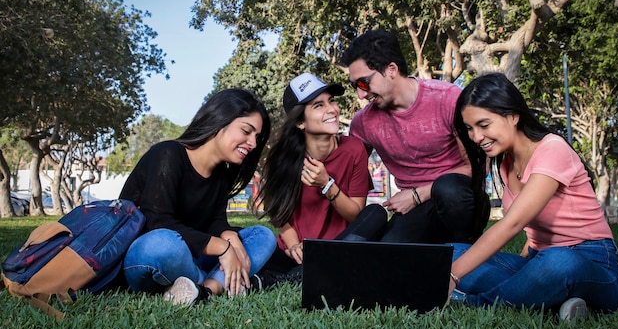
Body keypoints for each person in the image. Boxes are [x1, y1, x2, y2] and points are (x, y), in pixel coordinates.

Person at [450, 72, 618, 319]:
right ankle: (549, 298)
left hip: (593, 265)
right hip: (540, 262)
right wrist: (528, 261)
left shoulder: (552, 148)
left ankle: (473, 303)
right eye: (469, 128)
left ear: (513, 116)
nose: (477, 137)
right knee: (450, 252)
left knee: (559, 263)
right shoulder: (506, 161)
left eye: (484, 125)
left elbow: (514, 223)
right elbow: (536, 225)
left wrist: (453, 276)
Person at [120, 88, 276, 305]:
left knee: (263, 236)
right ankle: (223, 282)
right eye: (246, 131)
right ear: (220, 120)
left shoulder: (222, 172)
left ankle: (204, 291)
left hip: (193, 258)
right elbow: (156, 222)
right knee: (165, 243)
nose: (253, 143)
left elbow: (216, 221)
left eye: (256, 137)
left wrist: (229, 236)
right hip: (148, 257)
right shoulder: (168, 154)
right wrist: (223, 248)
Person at [340, 29, 490, 244]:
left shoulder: (448, 99)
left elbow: (478, 167)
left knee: (449, 190)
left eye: (364, 83)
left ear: (391, 69)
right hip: (414, 210)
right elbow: (348, 173)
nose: (361, 94)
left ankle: (466, 254)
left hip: (459, 199)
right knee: (390, 251)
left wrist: (418, 194)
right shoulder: (362, 123)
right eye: (355, 86)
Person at [255, 73, 388, 288]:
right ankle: (305, 270)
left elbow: (356, 214)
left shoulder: (354, 149)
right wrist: (294, 245)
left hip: (339, 246)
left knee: (376, 214)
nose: (332, 110)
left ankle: (296, 277)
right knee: (254, 243)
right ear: (300, 122)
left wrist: (327, 184)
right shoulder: (284, 159)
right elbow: (280, 216)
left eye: (331, 101)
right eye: (318, 105)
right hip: (296, 253)